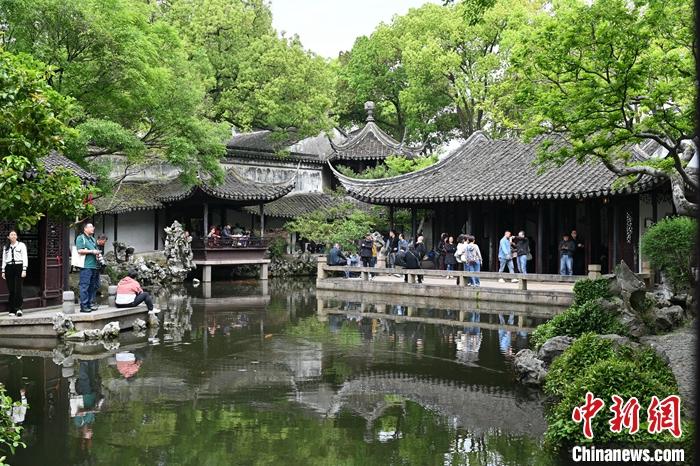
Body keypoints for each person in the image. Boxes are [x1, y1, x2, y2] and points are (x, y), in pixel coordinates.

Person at [76, 223, 102, 313]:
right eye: (91, 227)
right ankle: (83, 306)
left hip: (94, 266)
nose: (93, 228)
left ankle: (89, 304)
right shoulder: (80, 238)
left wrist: (98, 254)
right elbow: (79, 250)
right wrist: (92, 251)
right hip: (86, 266)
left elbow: (95, 250)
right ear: (85, 229)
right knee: (84, 286)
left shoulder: (93, 239)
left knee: (92, 286)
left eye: (93, 227)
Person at [2, 230, 28, 317]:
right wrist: (3, 271)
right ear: (8, 237)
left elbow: (25, 257)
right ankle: (12, 309)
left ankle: (19, 309)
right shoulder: (6, 247)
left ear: (16, 236)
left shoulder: (21, 245)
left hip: (18, 267)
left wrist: (24, 269)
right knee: (11, 289)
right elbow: (4, 260)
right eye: (11, 235)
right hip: (9, 267)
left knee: (18, 288)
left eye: (14, 235)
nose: (13, 236)